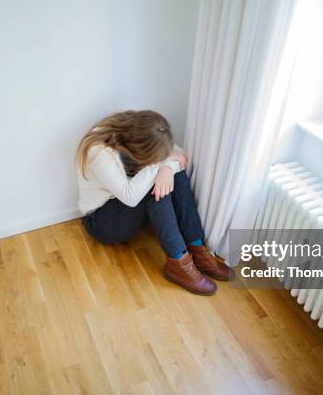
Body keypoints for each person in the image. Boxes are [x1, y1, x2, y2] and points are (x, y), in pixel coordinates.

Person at [76, 110, 231, 295]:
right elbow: (130, 196)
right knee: (156, 186)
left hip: (127, 207)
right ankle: (178, 263)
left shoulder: (139, 128)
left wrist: (166, 167)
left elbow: (178, 153)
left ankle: (197, 248)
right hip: (102, 221)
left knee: (175, 173)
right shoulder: (98, 151)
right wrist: (161, 164)